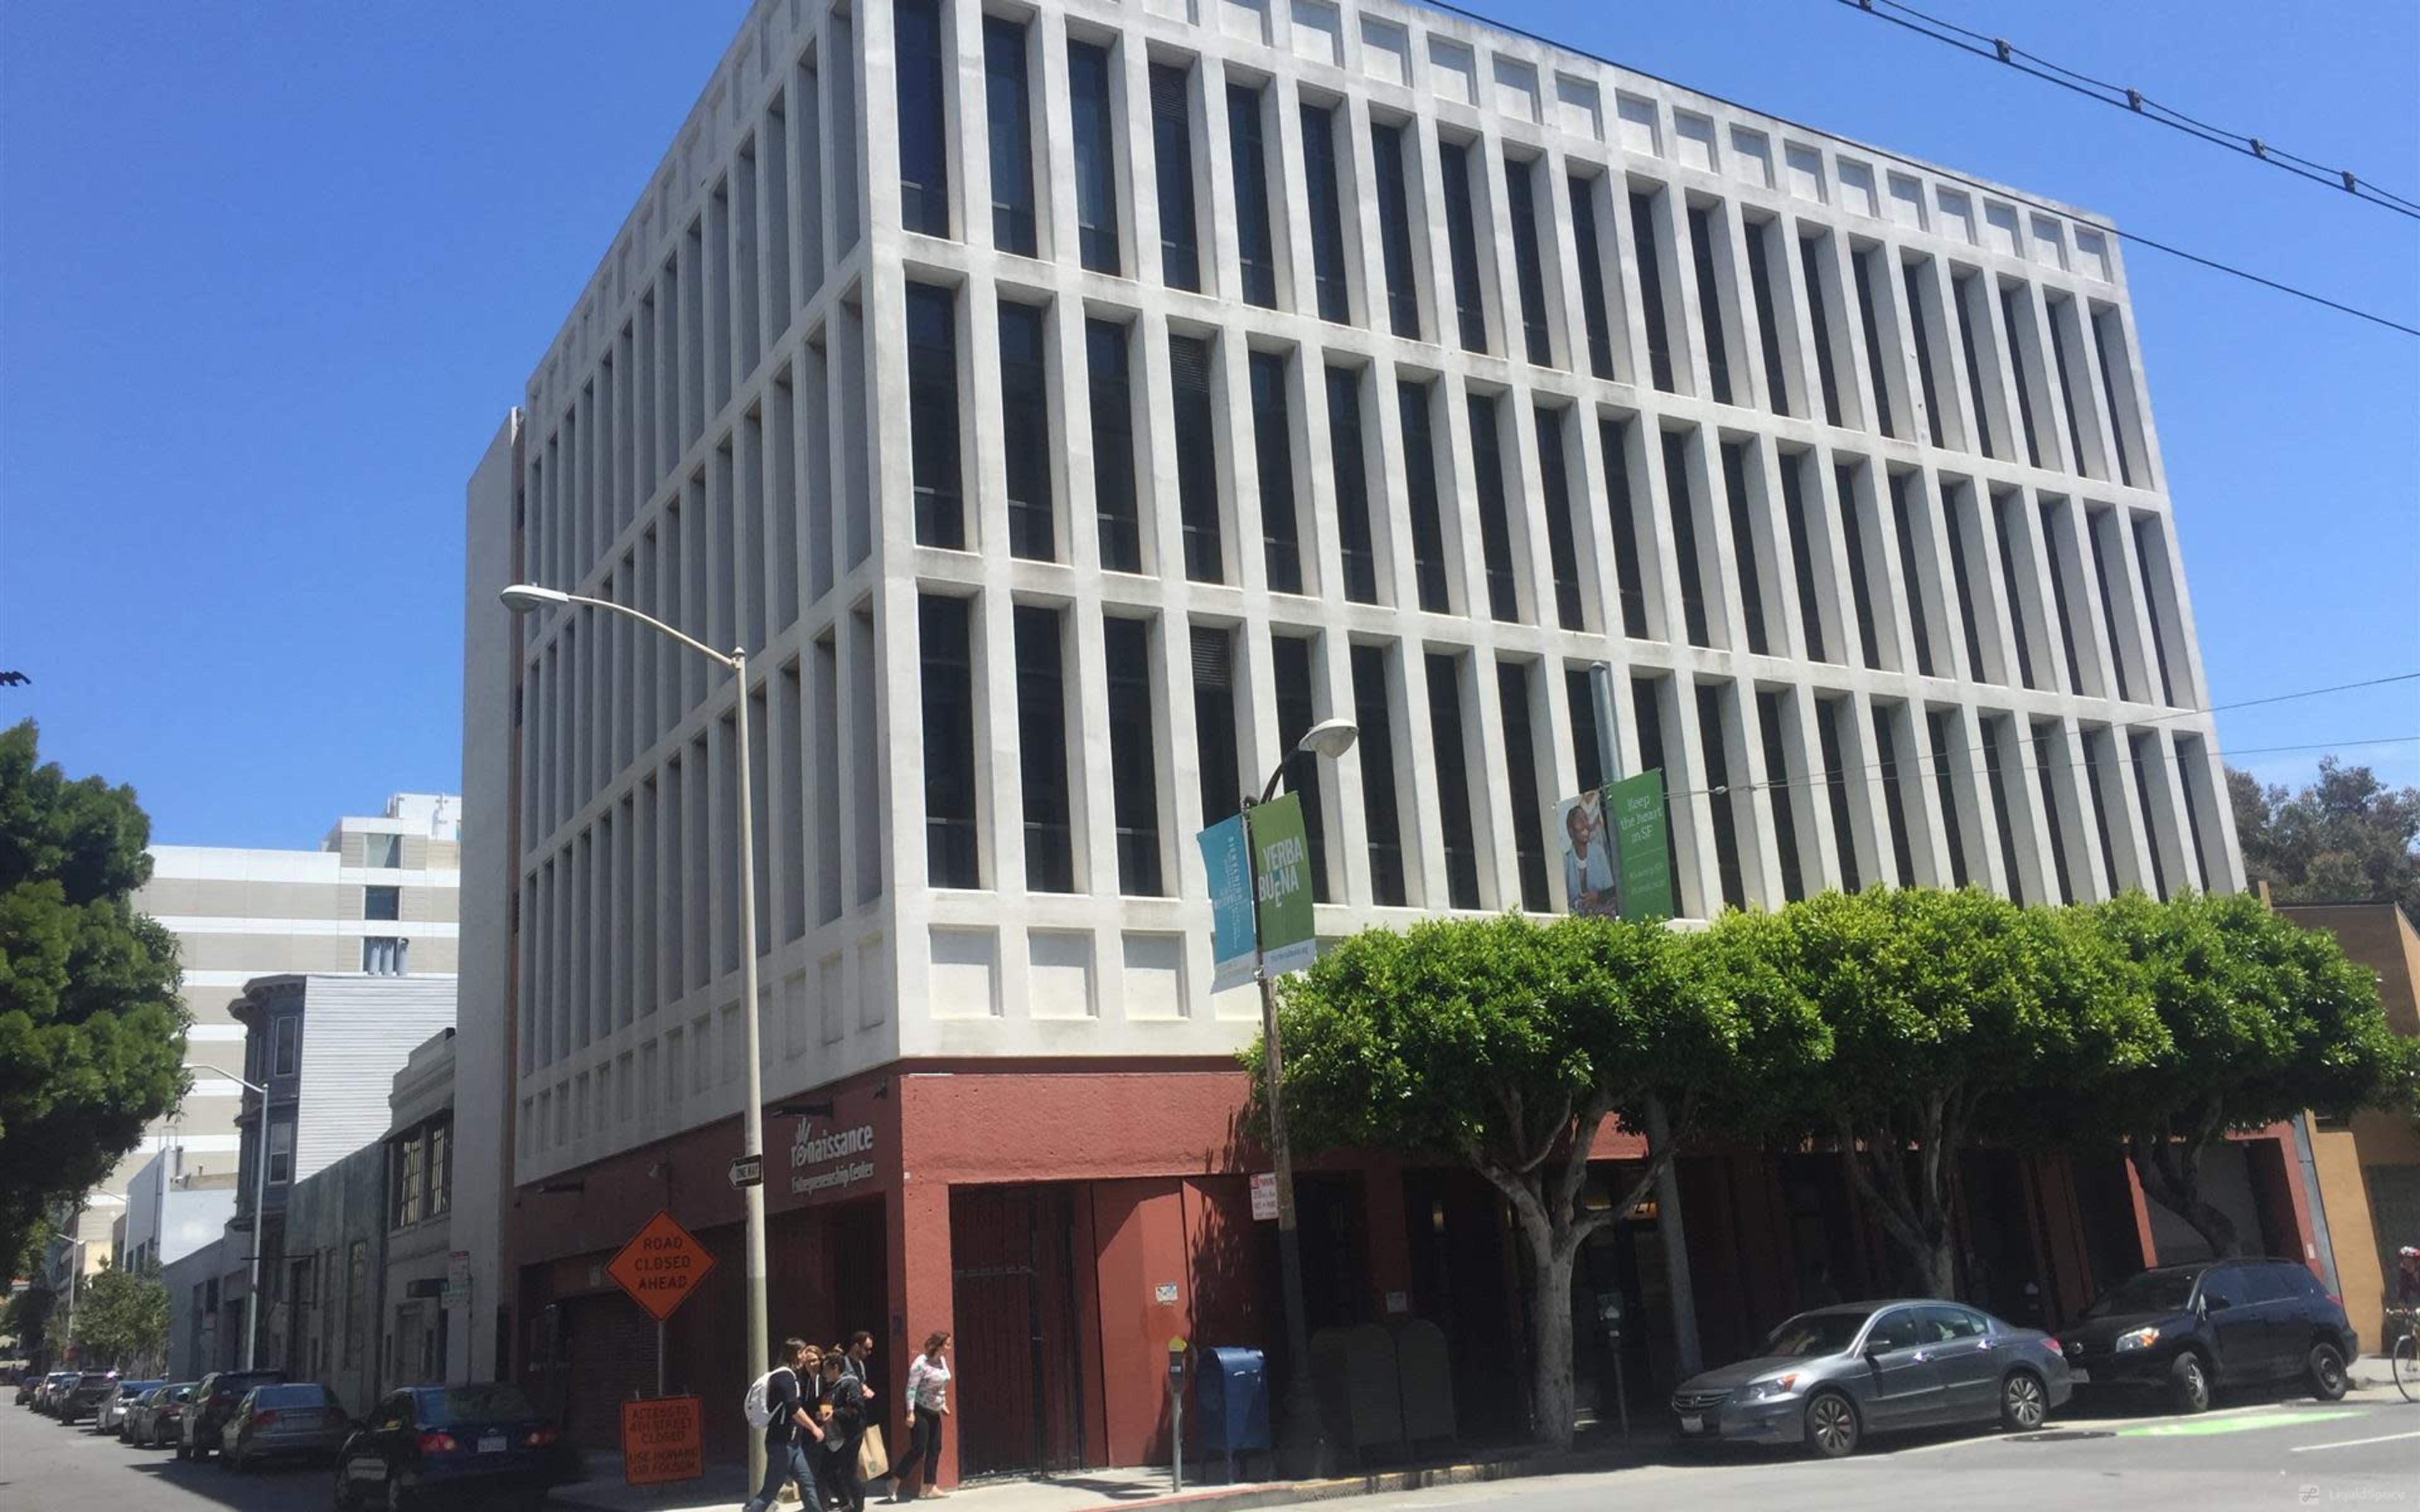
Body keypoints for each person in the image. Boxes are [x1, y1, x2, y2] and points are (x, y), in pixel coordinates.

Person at [744, 1339, 826, 1512]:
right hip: (781, 1444)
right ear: (797, 1354)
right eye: (804, 1352)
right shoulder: (784, 1377)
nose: (807, 1355)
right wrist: (814, 1428)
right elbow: (794, 1408)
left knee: (807, 1482)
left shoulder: (792, 1376)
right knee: (769, 1492)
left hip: (794, 1444)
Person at [887, 1332, 952, 1503]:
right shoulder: (920, 1363)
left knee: (935, 1447)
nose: (949, 1348)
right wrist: (910, 1413)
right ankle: (894, 1482)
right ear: (938, 1346)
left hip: (934, 1410)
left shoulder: (942, 1361)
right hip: (919, 1409)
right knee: (919, 1447)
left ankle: (929, 1487)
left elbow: (942, 1384)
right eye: (947, 1345)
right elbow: (911, 1388)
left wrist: (943, 1403)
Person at [819, 1348, 869, 1511]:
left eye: (826, 1370)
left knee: (849, 1473)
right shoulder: (832, 1387)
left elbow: (857, 1409)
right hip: (834, 1436)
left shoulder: (850, 1384)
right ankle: (844, 1501)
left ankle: (858, 1506)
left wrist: (835, 1414)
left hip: (850, 1435)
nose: (823, 1374)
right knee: (826, 1471)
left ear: (835, 1368)